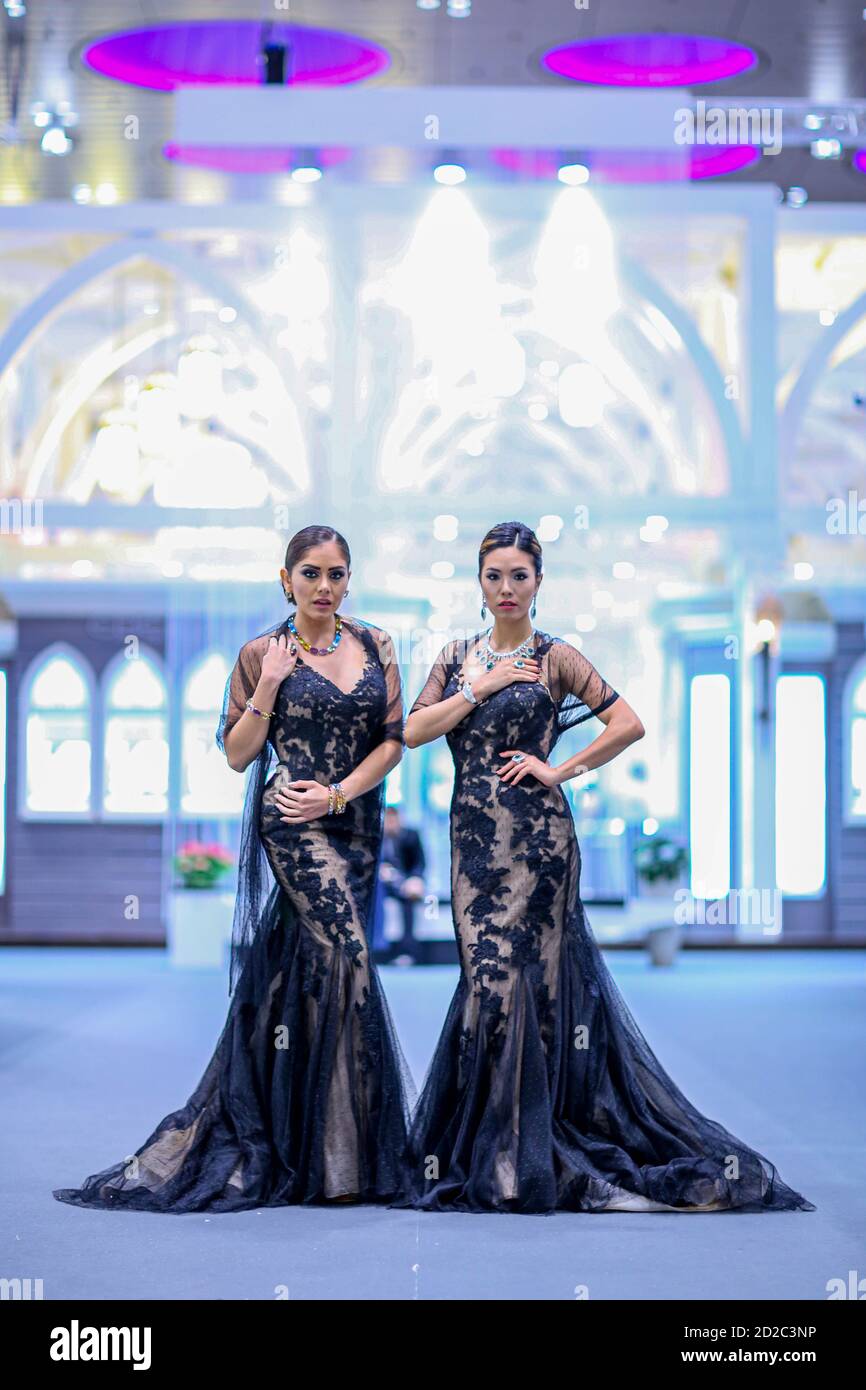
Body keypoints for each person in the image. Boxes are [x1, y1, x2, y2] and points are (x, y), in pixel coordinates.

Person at [393, 520, 815, 1216]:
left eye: (519, 575)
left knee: (528, 988)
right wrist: (483, 685)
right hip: (472, 847)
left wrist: (560, 768)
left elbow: (628, 723)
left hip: (539, 846)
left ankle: (522, 1156)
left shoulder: (558, 657)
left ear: (538, 581)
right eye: (494, 574)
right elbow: (412, 732)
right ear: (479, 581)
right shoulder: (454, 656)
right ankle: (500, 1147)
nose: (506, 588)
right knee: (485, 986)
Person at [53, 526, 415, 1212]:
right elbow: (238, 754)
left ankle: (318, 1147)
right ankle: (345, 1158)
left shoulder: (377, 646)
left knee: (312, 970)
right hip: (292, 826)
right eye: (310, 573)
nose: (324, 586)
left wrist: (340, 793)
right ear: (286, 580)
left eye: (337, 574)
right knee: (350, 957)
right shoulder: (261, 653)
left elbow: (393, 743)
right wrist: (270, 687)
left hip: (355, 823)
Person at [375, 806, 426, 965]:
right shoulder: (376, 836)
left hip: (403, 882)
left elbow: (419, 863)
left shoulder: (411, 835)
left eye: (393, 819)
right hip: (380, 884)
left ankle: (407, 951)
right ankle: (376, 946)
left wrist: (415, 879)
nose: (391, 823)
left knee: (408, 901)